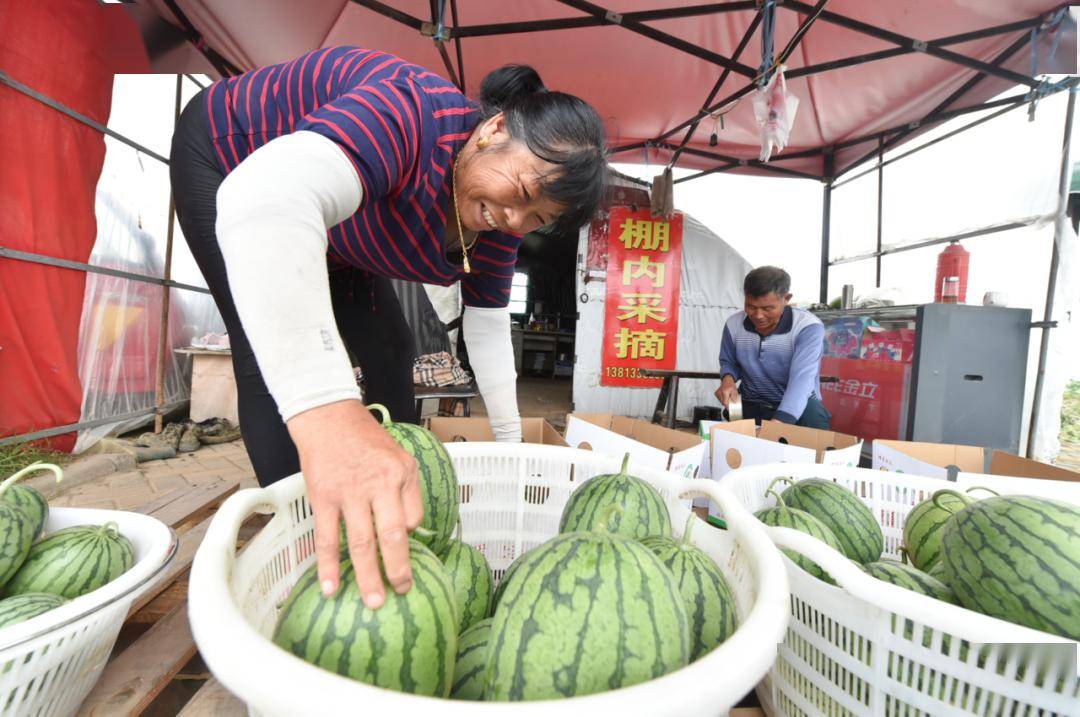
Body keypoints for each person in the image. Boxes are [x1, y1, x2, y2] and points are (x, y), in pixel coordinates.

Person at [169, 47, 606, 610]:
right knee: (267, 362)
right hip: (228, 160)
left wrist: (512, 451)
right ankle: (309, 543)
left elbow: (489, 329)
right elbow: (266, 200)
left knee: (392, 347)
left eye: (539, 219)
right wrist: (331, 418)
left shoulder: (499, 227)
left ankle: (394, 511)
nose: (516, 221)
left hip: (341, 230)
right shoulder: (410, 114)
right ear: (494, 129)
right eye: (521, 195)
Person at [714, 266, 831, 428]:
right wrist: (727, 381)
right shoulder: (733, 324)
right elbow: (728, 361)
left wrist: (776, 426)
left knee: (813, 427)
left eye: (768, 308)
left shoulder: (807, 327)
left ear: (786, 299)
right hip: (752, 401)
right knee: (732, 417)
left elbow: (801, 380)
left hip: (796, 406)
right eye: (751, 307)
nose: (758, 315)